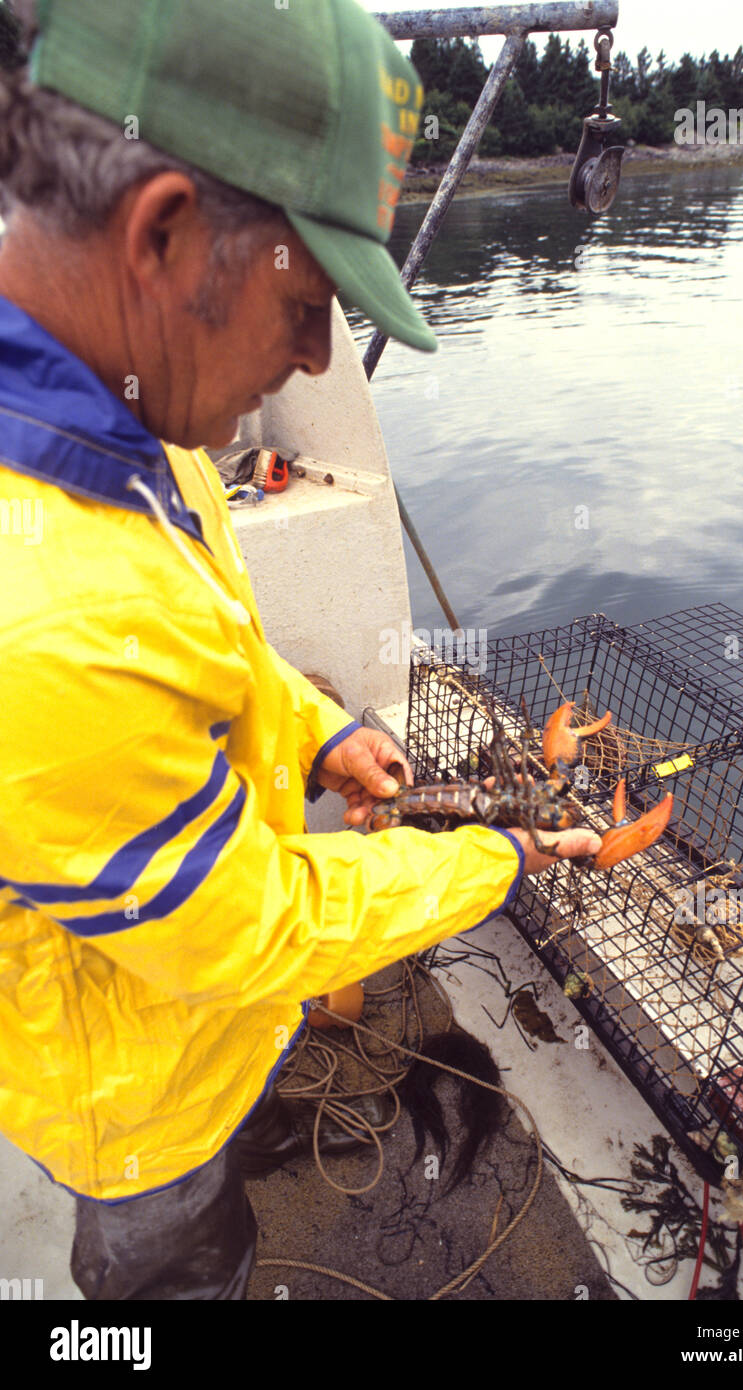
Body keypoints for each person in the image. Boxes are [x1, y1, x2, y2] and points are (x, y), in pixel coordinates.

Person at [0, 0, 602, 1300]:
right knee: (169, 1268)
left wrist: (313, 726)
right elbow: (253, 932)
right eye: (311, 302)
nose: (321, 356)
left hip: (173, 1010)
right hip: (133, 1104)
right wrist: (486, 862)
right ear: (160, 230)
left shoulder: (120, 417)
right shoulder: (37, 621)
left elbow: (198, 633)